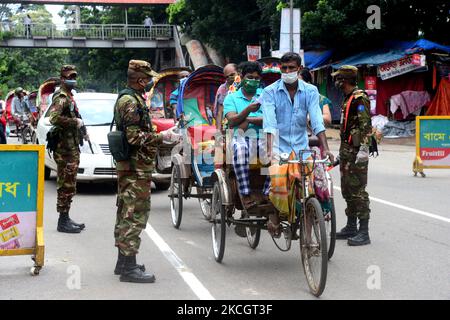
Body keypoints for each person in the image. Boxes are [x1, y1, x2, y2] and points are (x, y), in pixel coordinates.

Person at [113, 60, 180, 283]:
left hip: (133, 166)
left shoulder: (131, 98)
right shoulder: (130, 102)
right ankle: (129, 269)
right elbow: (133, 137)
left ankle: (123, 263)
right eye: (147, 78)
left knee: (126, 211)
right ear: (140, 80)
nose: (150, 81)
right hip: (135, 168)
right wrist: (163, 137)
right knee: (134, 215)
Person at [261, 52, 334, 236]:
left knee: (314, 183)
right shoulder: (269, 91)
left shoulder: (310, 91)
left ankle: (310, 224)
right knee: (276, 181)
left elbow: (317, 121)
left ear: (299, 69)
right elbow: (269, 124)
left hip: (302, 147)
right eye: (284, 68)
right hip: (278, 146)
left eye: (291, 68)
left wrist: (326, 148)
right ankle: (275, 217)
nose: (287, 71)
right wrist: (270, 151)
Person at [332, 65, 372, 246]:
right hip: (348, 152)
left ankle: (364, 232)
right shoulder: (348, 98)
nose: (336, 82)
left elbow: (365, 126)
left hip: (357, 153)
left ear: (345, 80)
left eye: (339, 79)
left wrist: (364, 150)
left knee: (358, 192)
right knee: (347, 190)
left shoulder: (359, 98)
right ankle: (351, 226)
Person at [48, 65, 86, 234]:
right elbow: (54, 118)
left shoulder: (69, 96)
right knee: (66, 184)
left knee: (70, 185)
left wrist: (82, 130)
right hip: (64, 149)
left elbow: (72, 115)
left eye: (75, 76)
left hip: (71, 147)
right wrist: (74, 123)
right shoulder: (62, 96)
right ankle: (62, 222)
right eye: (70, 76)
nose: (73, 79)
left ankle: (66, 217)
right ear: (62, 79)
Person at [214, 63, 238, 130]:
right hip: (229, 125)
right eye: (227, 77)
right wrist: (218, 132)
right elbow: (220, 111)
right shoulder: (223, 88)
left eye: (232, 75)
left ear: (238, 72)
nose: (230, 78)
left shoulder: (245, 85)